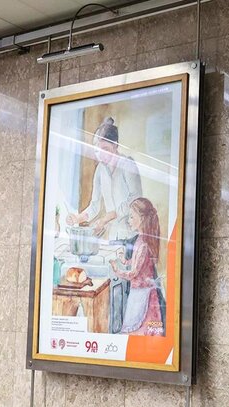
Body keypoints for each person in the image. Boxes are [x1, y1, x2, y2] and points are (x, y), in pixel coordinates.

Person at [66, 117, 143, 240]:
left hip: (131, 234)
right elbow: (94, 205)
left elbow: (136, 199)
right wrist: (77, 218)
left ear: (115, 145)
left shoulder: (127, 164)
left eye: (105, 149)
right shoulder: (100, 169)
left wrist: (108, 217)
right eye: (97, 151)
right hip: (113, 236)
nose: (101, 155)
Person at [109, 197, 165, 336]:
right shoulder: (140, 239)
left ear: (142, 219)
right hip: (139, 292)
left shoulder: (144, 245)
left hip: (142, 294)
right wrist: (124, 260)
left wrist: (117, 270)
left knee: (140, 330)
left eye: (131, 217)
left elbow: (133, 273)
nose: (129, 220)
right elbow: (137, 263)